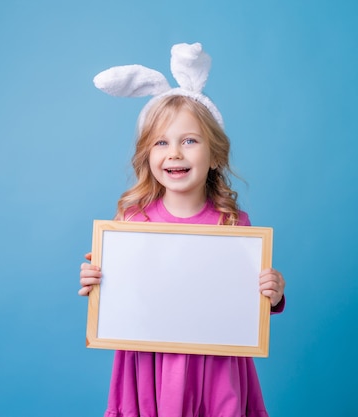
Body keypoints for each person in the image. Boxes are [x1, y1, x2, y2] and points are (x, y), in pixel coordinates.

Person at [79, 43, 286, 417]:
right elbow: (125, 297)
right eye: (162, 142)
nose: (174, 153)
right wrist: (99, 282)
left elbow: (244, 304)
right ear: (148, 155)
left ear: (215, 154)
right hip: (149, 364)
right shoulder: (133, 222)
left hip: (216, 366)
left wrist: (271, 294)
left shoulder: (234, 224)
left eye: (189, 141)